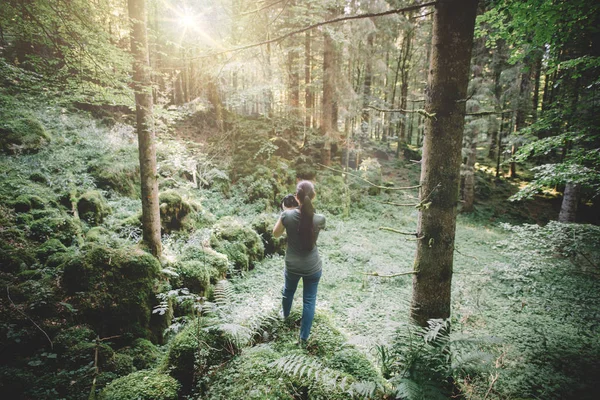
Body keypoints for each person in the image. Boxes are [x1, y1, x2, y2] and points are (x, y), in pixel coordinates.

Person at [273, 180, 326, 344]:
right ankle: (303, 338)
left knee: (288, 291)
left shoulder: (286, 216)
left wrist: (284, 214)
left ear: (297, 197)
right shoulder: (320, 219)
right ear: (314, 195)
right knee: (309, 301)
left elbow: (276, 234)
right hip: (312, 266)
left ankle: (285, 316)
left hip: (293, 265)